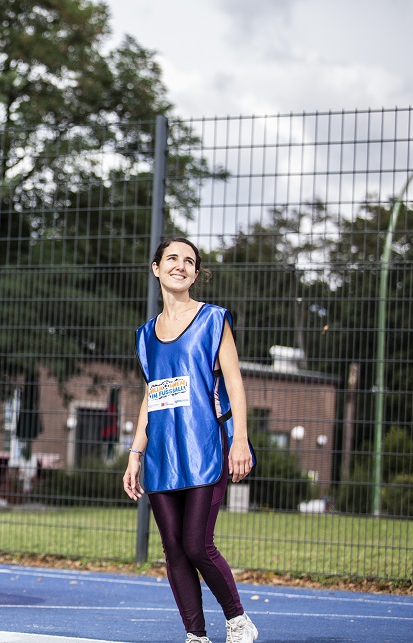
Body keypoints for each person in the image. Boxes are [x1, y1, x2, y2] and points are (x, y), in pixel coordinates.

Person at [122, 238, 259, 643]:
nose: (181, 266)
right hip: (162, 456)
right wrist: (135, 452)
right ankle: (195, 635)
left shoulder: (214, 319)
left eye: (189, 261)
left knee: (198, 544)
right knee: (175, 551)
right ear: (156, 268)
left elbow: (234, 382)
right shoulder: (145, 335)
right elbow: (152, 394)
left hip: (205, 449)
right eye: (172, 259)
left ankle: (238, 620)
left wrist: (241, 441)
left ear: (196, 274)